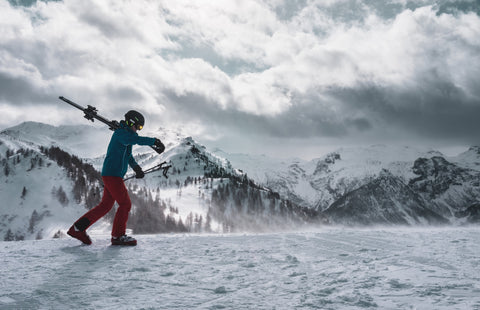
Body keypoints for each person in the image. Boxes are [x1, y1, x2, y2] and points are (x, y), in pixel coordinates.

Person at [67, 110, 165, 246]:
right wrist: (154, 141)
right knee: (125, 204)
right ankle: (118, 236)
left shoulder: (125, 136)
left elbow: (128, 155)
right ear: (131, 122)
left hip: (112, 174)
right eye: (138, 126)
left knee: (105, 206)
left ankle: (77, 229)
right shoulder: (121, 134)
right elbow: (135, 140)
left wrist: (136, 168)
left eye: (140, 128)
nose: (138, 129)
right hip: (113, 175)